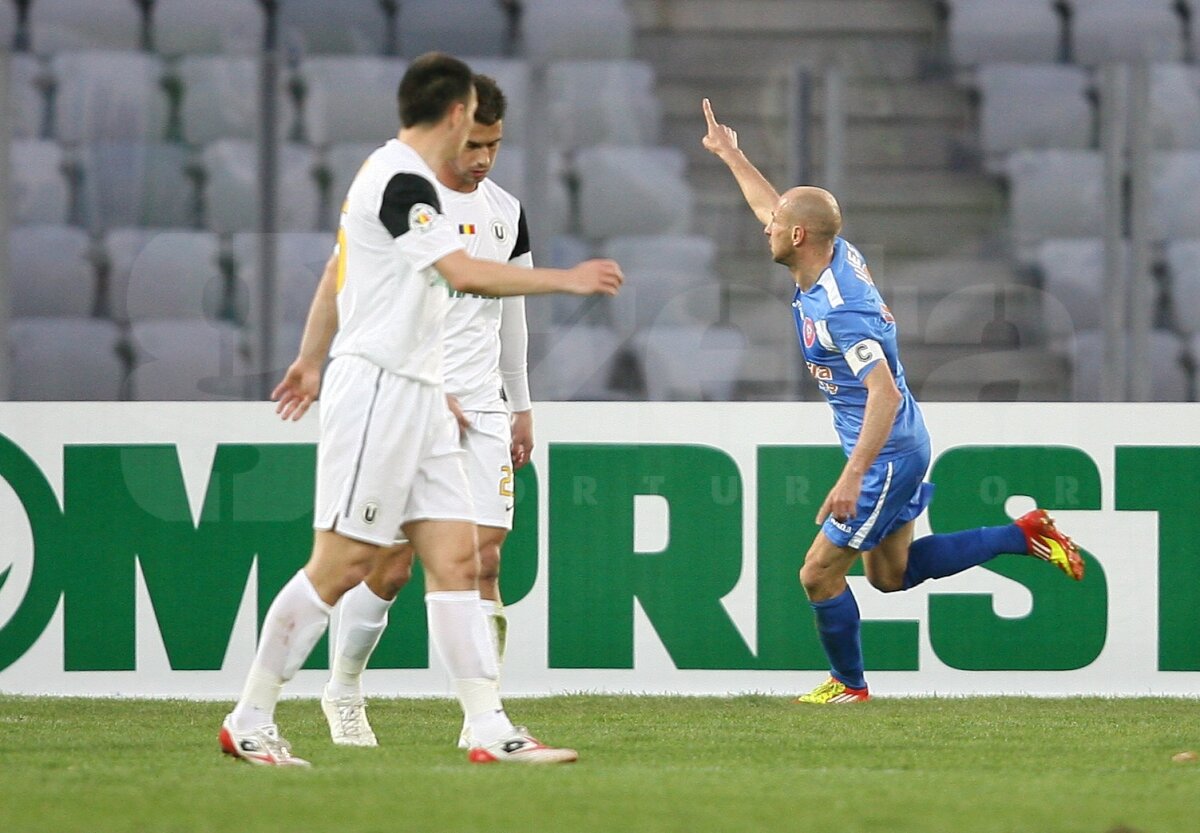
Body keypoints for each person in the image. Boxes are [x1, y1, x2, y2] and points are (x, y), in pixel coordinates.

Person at [218, 53, 622, 767]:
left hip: (425, 393)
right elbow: (460, 273)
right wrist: (567, 279)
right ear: (458, 113)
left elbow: (339, 273)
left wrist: (308, 359)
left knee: (458, 558)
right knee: (344, 563)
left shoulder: (414, 184)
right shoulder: (398, 180)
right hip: (379, 388)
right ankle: (250, 717)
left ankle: (488, 727)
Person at [700, 98, 1084, 704]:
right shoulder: (832, 253)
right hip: (898, 441)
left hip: (885, 453)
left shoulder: (840, 311)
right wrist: (731, 154)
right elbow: (775, 208)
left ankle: (848, 686)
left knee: (817, 573)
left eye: (776, 226)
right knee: (890, 576)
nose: (766, 227)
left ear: (798, 238)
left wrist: (854, 475)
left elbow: (881, 392)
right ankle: (1022, 534)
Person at [273, 75, 535, 750]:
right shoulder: (405, 195)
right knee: (384, 567)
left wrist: (520, 405)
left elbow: (511, 317)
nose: (483, 158)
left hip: (482, 405)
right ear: (452, 127)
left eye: (495, 145)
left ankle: (484, 716)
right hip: (407, 397)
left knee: (483, 560)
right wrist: (313, 358)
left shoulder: (507, 212)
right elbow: (345, 278)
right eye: (474, 143)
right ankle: (342, 688)